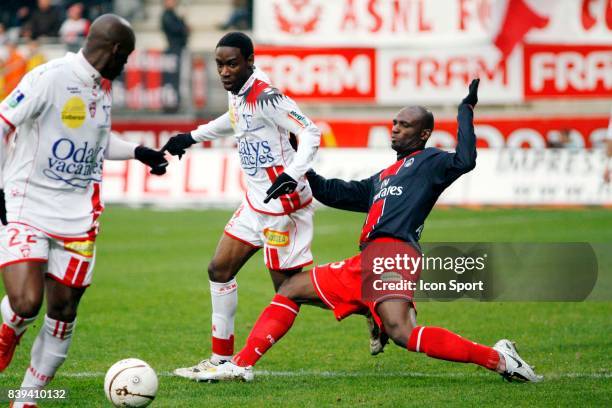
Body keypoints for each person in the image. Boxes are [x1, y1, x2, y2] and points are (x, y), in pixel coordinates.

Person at [190, 79, 542, 384]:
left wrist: (465, 109)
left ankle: (499, 359)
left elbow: (465, 160)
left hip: (394, 254)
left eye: (404, 125)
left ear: (423, 134)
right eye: (394, 122)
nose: (395, 128)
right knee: (292, 288)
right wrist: (296, 170)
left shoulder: (431, 162)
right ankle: (241, 365)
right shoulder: (384, 176)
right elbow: (335, 191)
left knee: (402, 332)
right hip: (368, 259)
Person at [0, 14, 168, 407]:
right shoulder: (49, 78)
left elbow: (97, 139)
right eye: (124, 58)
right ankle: (9, 328)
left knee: (63, 311)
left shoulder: (102, 87)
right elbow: (3, 122)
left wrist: (139, 152)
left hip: (79, 217)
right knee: (26, 303)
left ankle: (26, 398)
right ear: (112, 50)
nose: (125, 67)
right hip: (29, 204)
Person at [162, 32, 323, 379]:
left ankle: (367, 304)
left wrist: (293, 174)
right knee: (219, 270)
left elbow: (311, 132)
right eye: (219, 64)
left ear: (250, 61)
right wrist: (191, 137)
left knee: (289, 291)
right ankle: (221, 360)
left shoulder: (266, 96)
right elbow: (233, 120)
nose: (224, 71)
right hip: (255, 203)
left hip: (284, 206)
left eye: (231, 63)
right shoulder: (238, 95)